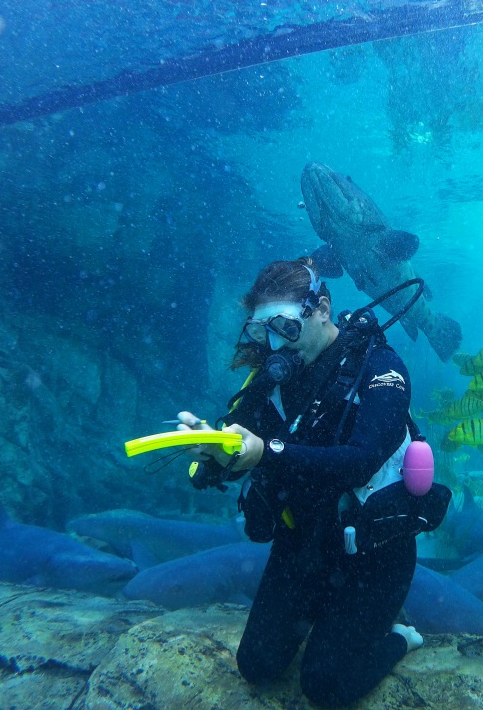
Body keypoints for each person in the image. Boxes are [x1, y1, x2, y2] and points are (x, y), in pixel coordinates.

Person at [176, 257, 448, 708]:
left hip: (373, 556)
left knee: (325, 685)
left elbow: (360, 461)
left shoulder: (380, 368)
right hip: (302, 545)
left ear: (322, 306)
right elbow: (236, 441)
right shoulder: (270, 376)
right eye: (263, 330)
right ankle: (320, 617)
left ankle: (401, 637)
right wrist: (212, 452)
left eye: (285, 326)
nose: (275, 343)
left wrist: (267, 452)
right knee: (257, 665)